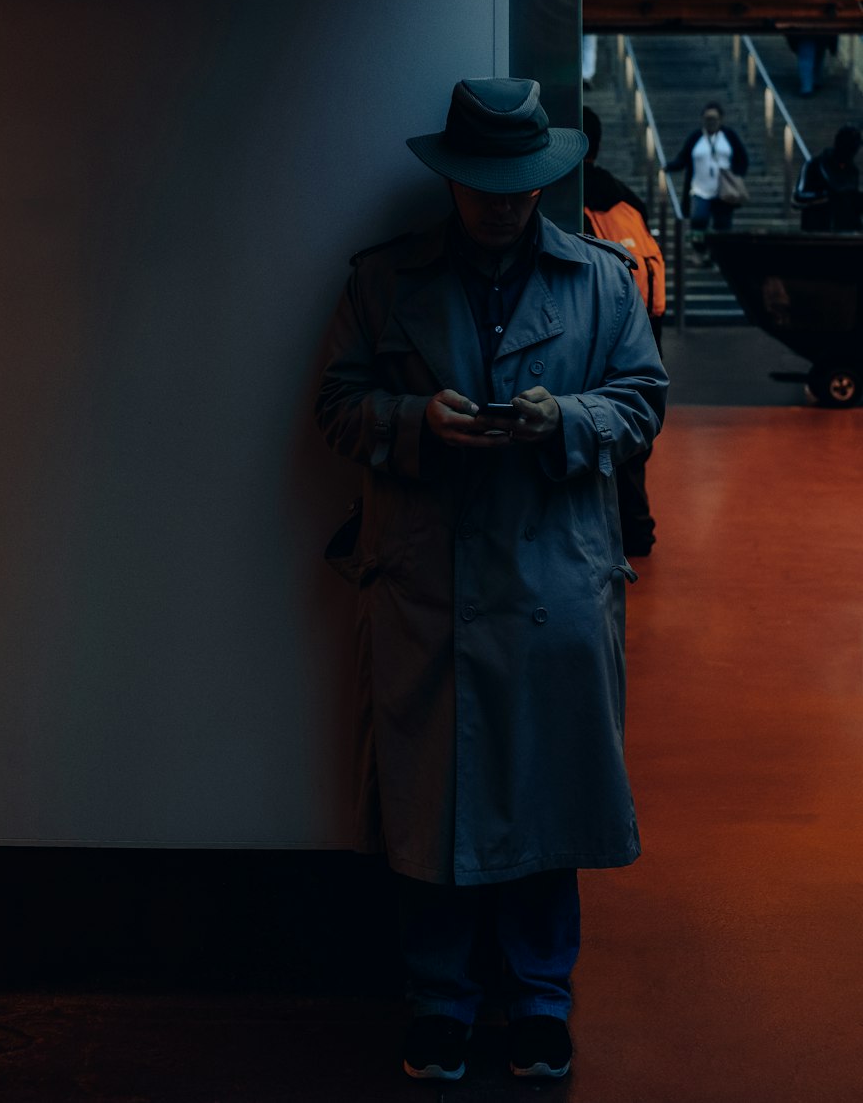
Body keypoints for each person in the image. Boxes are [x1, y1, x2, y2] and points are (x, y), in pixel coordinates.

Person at [315, 78, 668, 1084]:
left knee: (548, 795)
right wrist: (414, 422)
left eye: (519, 188)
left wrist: (568, 422)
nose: (503, 205)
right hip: (428, 583)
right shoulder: (385, 282)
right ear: (452, 182)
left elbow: (642, 402)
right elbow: (337, 405)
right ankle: (440, 1000)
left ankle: (540, 999)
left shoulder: (600, 280)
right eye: (483, 187)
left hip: (556, 577)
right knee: (432, 801)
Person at [581, 106, 664, 557]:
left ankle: (604, 535)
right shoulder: (630, 199)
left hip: (596, 331)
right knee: (631, 436)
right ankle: (638, 528)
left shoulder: (564, 198)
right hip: (646, 328)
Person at [665, 102, 749, 264]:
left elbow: (742, 158)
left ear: (721, 119)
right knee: (698, 221)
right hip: (700, 189)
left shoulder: (729, 136)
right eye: (707, 119)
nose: (710, 122)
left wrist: (736, 175)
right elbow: (683, 158)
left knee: (723, 225)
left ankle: (718, 255)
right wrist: (670, 167)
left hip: (723, 190)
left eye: (714, 119)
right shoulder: (696, 137)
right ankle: (699, 250)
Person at [792, 125, 863, 231]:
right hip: (817, 233)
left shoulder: (852, 171)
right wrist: (827, 196)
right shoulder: (814, 166)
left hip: (846, 234)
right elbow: (797, 199)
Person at [784, 31, 838, 97]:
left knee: (806, 54)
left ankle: (807, 86)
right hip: (823, 32)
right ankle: (815, 80)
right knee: (819, 51)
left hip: (802, 31)